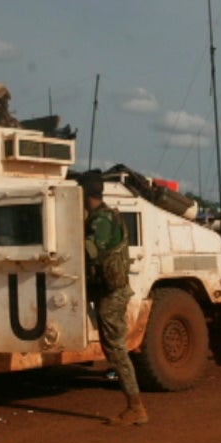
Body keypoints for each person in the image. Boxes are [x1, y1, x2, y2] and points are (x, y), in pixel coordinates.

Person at [80, 172, 148, 426]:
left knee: (116, 349)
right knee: (114, 348)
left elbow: (90, 250)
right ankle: (134, 405)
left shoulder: (101, 220)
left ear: (86, 196)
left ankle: (136, 407)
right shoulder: (107, 216)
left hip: (112, 293)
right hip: (110, 291)